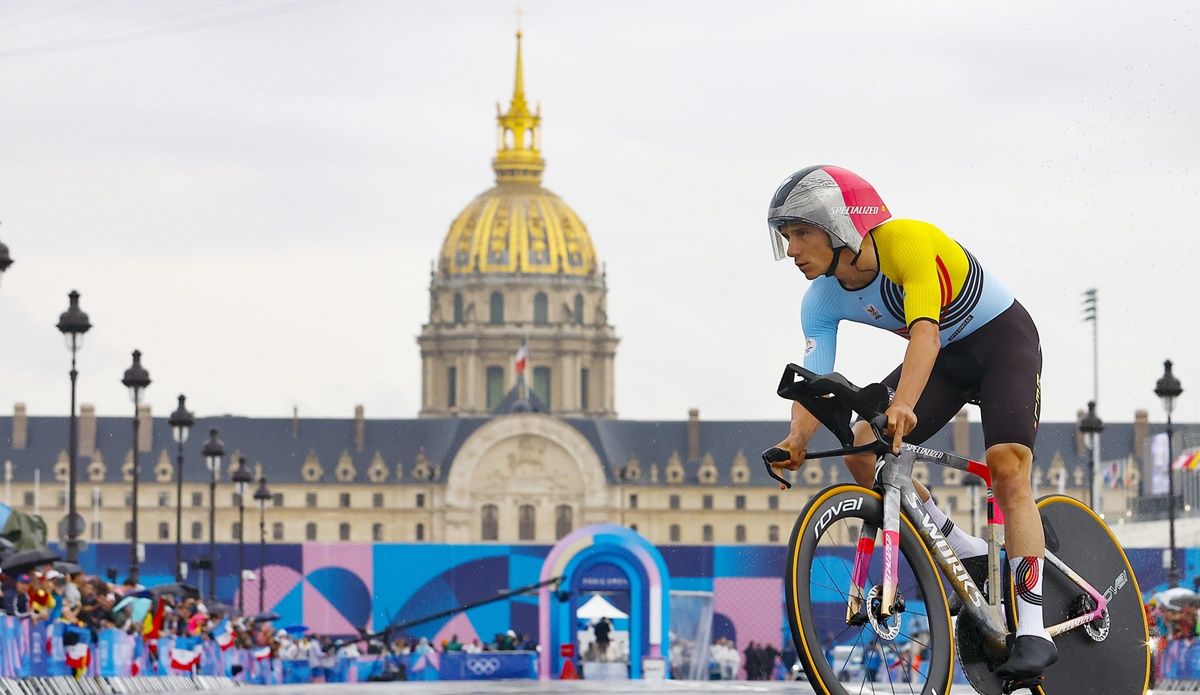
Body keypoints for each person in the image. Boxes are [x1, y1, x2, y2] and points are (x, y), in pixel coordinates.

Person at [765, 165, 1054, 681]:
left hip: (1000, 344)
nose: (792, 250)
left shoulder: (909, 243)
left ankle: (1032, 628)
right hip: (944, 360)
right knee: (860, 444)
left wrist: (904, 405)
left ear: (839, 225)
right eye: (786, 237)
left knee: (1007, 467)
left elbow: (927, 335)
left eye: (802, 233)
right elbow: (815, 381)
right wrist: (796, 438)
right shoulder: (820, 299)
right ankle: (960, 548)